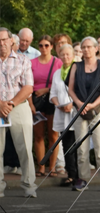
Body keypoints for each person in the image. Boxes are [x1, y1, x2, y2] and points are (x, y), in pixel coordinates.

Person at [65, 37, 100, 191]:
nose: (86, 50)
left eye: (89, 47)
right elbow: (70, 89)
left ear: (96, 48)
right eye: (83, 47)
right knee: (82, 148)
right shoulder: (76, 66)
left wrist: (92, 105)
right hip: (80, 109)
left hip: (98, 110)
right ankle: (82, 178)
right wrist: (79, 104)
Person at [0, 27, 38, 198]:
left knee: (24, 147)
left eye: (4, 40)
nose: (1, 44)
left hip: (19, 105)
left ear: (11, 41)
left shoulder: (23, 60)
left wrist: (10, 104)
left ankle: (29, 185)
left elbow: (29, 87)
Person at [31, 35, 63, 177]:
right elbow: (26, 83)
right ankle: (41, 167)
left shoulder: (58, 62)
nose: (43, 48)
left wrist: (46, 89)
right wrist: (30, 104)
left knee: (53, 135)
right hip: (36, 100)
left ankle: (52, 167)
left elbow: (62, 84)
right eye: (40, 45)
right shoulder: (31, 63)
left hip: (52, 99)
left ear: (51, 46)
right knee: (38, 136)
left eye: (46, 45)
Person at [53, 43, 77, 187]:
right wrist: (58, 105)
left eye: (68, 54)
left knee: (77, 145)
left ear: (73, 55)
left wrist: (72, 104)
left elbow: (81, 91)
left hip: (76, 112)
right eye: (63, 54)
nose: (66, 57)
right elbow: (53, 93)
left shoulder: (78, 69)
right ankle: (71, 175)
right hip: (61, 112)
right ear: (59, 56)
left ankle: (80, 175)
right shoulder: (57, 72)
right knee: (66, 145)